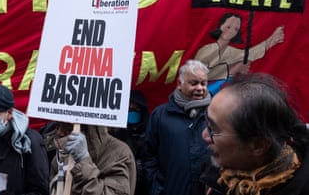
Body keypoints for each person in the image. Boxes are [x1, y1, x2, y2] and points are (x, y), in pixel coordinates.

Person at [195, 73, 309, 195]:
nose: (204, 135)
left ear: (258, 145)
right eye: (207, 123)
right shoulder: (212, 174)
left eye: (214, 129)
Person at [143, 59, 211, 195]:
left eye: (203, 83)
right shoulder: (161, 115)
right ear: (180, 84)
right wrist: (158, 189)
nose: (200, 88)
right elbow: (148, 157)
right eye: (194, 83)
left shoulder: (216, 113)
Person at [194, 12, 284, 95]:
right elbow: (196, 75)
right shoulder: (206, 50)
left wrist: (270, 41)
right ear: (221, 26)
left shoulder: (231, 51)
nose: (231, 31)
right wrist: (234, 68)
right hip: (200, 95)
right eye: (228, 27)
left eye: (236, 29)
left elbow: (250, 54)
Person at [49, 122, 136, 195]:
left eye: (68, 127)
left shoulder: (119, 153)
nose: (59, 132)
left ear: (89, 130)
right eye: (57, 126)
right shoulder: (59, 157)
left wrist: (83, 162)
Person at [109, 90, 150, 195]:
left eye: (136, 109)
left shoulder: (150, 134)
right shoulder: (116, 134)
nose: (132, 111)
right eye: (128, 109)